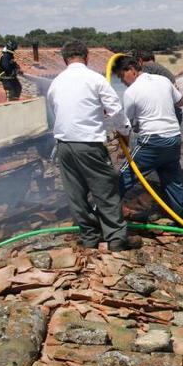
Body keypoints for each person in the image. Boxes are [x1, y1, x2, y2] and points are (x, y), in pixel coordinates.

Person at [46, 40, 141, 252]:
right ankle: (116, 239)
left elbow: (56, 112)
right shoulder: (94, 79)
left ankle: (89, 237)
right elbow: (116, 111)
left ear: (64, 60)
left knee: (75, 193)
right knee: (105, 189)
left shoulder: (56, 82)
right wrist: (125, 132)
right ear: (87, 57)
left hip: (64, 145)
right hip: (88, 143)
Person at [113, 55, 183, 221]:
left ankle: (105, 217)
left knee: (124, 176)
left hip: (153, 141)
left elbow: (126, 126)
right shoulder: (163, 81)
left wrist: (124, 147)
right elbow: (181, 102)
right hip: (174, 138)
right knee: (173, 182)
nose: (122, 81)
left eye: (121, 76)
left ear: (131, 70)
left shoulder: (131, 92)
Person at [133, 49, 183, 126]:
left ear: (140, 60)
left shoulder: (147, 67)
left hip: (163, 114)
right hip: (173, 112)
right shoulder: (160, 69)